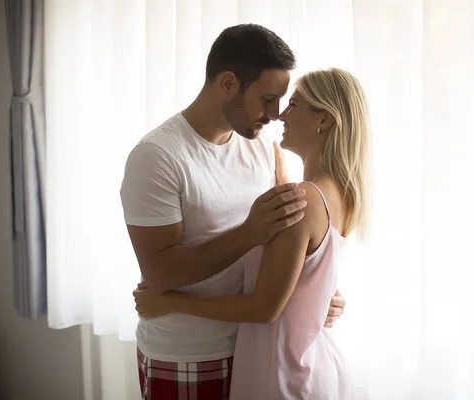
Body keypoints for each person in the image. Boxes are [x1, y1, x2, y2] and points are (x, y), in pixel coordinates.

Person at [120, 24, 346, 400]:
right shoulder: (157, 157)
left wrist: (319, 293)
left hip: (256, 351)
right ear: (227, 84)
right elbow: (159, 273)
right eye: (268, 98)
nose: (276, 114)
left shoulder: (261, 149)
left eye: (283, 101)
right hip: (189, 355)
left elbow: (292, 241)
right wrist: (248, 233)